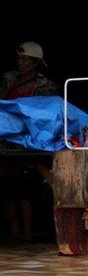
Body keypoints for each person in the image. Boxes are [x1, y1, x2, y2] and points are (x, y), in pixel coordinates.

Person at [1, 42, 57, 241]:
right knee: (7, 184)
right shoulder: (8, 79)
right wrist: (8, 88)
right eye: (19, 59)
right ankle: (15, 232)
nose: (21, 63)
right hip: (6, 138)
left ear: (35, 63)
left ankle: (27, 233)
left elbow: (45, 114)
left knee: (23, 183)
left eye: (25, 59)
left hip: (28, 139)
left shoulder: (45, 86)